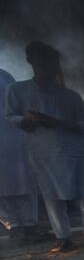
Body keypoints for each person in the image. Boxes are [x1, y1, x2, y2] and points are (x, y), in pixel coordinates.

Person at [6, 41, 84, 252]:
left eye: (53, 62)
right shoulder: (17, 90)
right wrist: (27, 120)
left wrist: (58, 123)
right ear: (31, 61)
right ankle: (63, 237)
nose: (50, 66)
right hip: (43, 150)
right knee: (51, 194)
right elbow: (10, 118)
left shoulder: (70, 95)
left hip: (75, 149)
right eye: (44, 61)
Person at [0, 69, 38, 240]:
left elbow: (19, 104)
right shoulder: (5, 76)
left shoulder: (4, 76)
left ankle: (27, 224)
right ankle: (15, 225)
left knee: (23, 181)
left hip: (14, 135)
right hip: (13, 136)